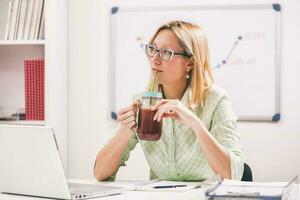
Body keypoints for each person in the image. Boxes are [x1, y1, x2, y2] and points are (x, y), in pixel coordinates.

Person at [94, 20, 243, 181]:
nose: (155, 59)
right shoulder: (143, 104)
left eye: (165, 52)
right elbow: (100, 173)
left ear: (190, 63)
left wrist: (195, 123)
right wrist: (125, 128)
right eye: (153, 49)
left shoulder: (216, 100)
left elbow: (231, 174)